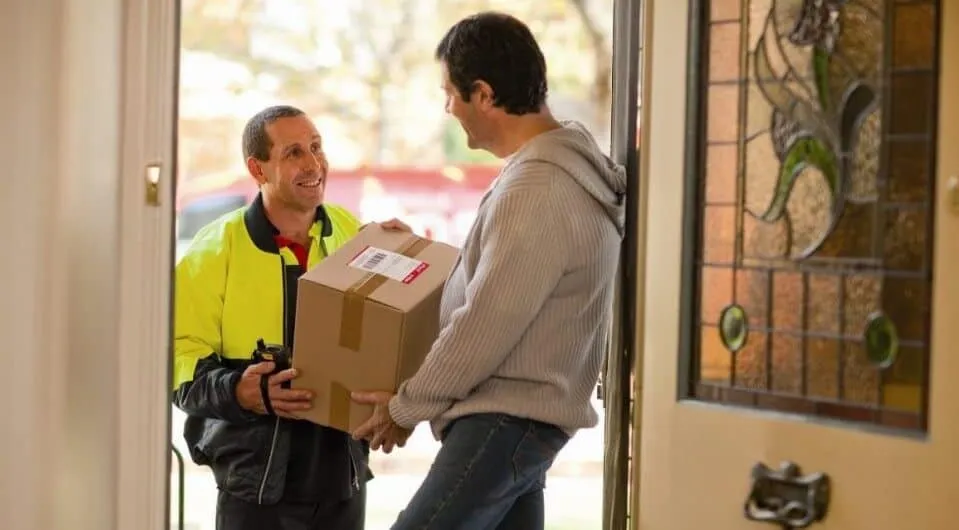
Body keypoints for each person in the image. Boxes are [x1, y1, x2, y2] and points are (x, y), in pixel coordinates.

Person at [351, 11, 627, 530]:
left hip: (505, 420)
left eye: (451, 93)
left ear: (483, 93)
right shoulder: (557, 173)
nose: (448, 108)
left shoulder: (539, 189)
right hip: (523, 422)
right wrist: (413, 253)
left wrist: (405, 407)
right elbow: (505, 281)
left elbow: (486, 323)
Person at [173, 105, 407, 530]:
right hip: (255, 484)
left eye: (316, 147)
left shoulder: (352, 234)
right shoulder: (214, 250)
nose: (314, 164)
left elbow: (388, 330)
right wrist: (237, 390)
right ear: (257, 169)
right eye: (294, 152)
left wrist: (403, 256)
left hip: (341, 477)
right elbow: (177, 360)